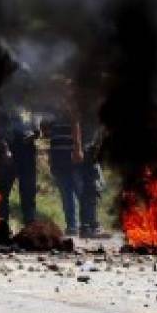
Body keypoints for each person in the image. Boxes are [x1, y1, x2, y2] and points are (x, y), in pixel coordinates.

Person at [46, 96, 106, 239]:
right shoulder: (51, 109)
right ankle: (73, 226)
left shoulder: (72, 106)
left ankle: (88, 224)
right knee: (67, 194)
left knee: (82, 191)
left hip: (71, 156)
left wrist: (78, 149)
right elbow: (47, 131)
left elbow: (75, 123)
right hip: (59, 157)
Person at [0, 105, 38, 228]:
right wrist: (5, 149)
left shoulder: (30, 107)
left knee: (28, 189)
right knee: (3, 191)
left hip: (27, 151)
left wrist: (35, 133)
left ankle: (30, 224)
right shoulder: (5, 104)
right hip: (9, 150)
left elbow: (37, 129)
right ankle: (2, 224)